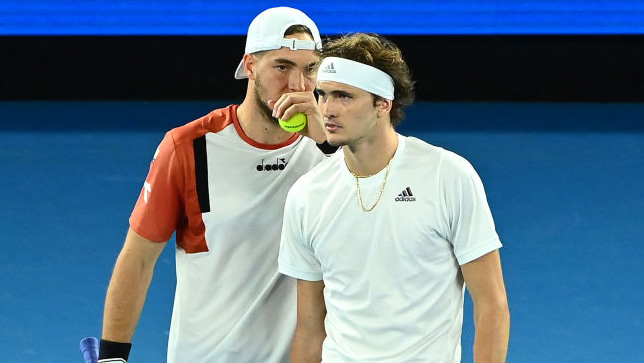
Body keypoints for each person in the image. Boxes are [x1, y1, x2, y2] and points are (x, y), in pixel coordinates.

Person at [98, 7, 331, 363]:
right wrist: (112, 356)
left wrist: (328, 142)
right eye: (282, 67)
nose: (298, 86)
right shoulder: (188, 148)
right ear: (250, 66)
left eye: (310, 68)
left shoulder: (337, 152)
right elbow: (139, 260)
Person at [278, 33, 510, 362]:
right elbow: (310, 329)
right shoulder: (306, 195)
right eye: (322, 94)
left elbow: (491, 305)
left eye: (344, 96)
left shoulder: (449, 176)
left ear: (382, 104)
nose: (327, 109)